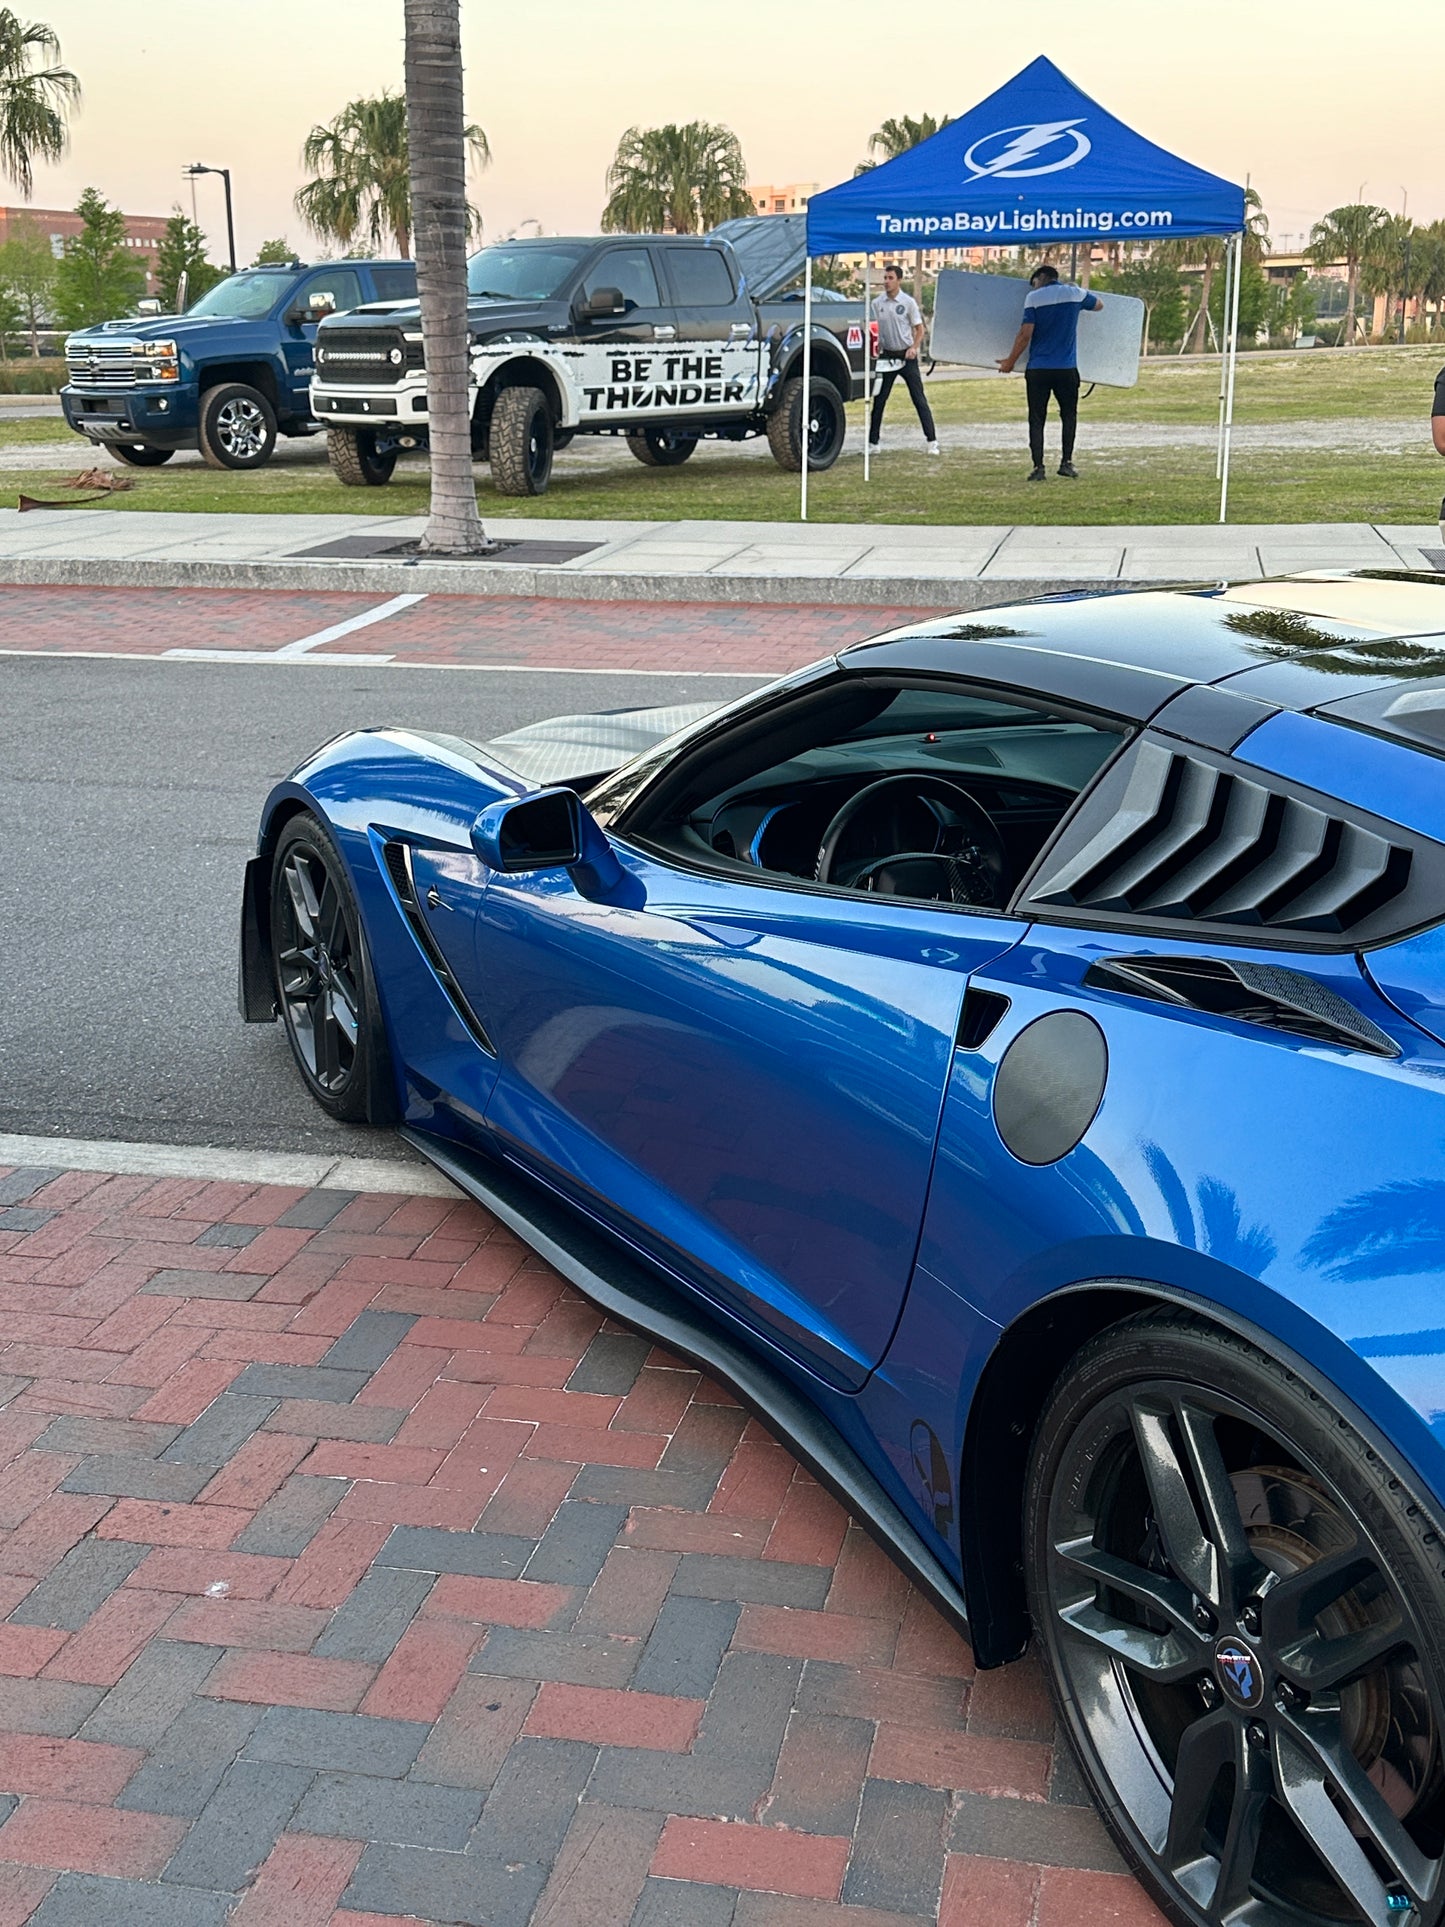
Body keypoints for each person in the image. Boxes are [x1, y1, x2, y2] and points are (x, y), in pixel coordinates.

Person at [997, 263, 1102, 481]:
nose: (1033, 288)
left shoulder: (1034, 299)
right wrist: (1076, 290)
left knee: (1037, 418)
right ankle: (1066, 463)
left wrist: (1010, 361)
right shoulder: (1075, 294)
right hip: (1066, 368)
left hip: (1038, 369)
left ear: (1041, 278)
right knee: (1069, 416)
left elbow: (1025, 335)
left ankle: (1038, 467)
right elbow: (1099, 305)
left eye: (1034, 283)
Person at [868, 264, 940, 455]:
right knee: (880, 399)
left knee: (918, 398)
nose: (886, 282)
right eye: (885, 278)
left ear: (898, 280)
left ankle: (932, 441)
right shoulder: (877, 303)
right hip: (887, 355)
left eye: (890, 278)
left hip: (906, 356)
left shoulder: (907, 302)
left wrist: (914, 348)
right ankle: (873, 442)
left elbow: (919, 329)